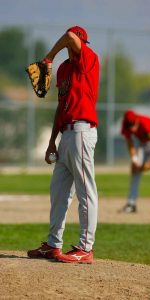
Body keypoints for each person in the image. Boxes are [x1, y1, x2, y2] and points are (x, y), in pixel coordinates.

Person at [27, 26, 100, 264]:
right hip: (66, 134)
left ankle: (86, 248)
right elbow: (61, 107)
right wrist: (51, 141)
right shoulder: (64, 69)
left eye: (77, 42)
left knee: (85, 192)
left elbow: (70, 37)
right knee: (59, 193)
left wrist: (48, 57)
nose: (73, 44)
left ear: (81, 43)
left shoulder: (89, 59)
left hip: (82, 131)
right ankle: (52, 244)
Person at [121, 110, 150, 214]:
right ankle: (131, 203)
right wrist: (134, 160)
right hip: (143, 141)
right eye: (129, 126)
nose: (132, 128)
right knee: (135, 170)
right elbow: (129, 143)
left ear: (137, 120)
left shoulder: (146, 124)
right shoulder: (126, 124)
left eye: (133, 124)